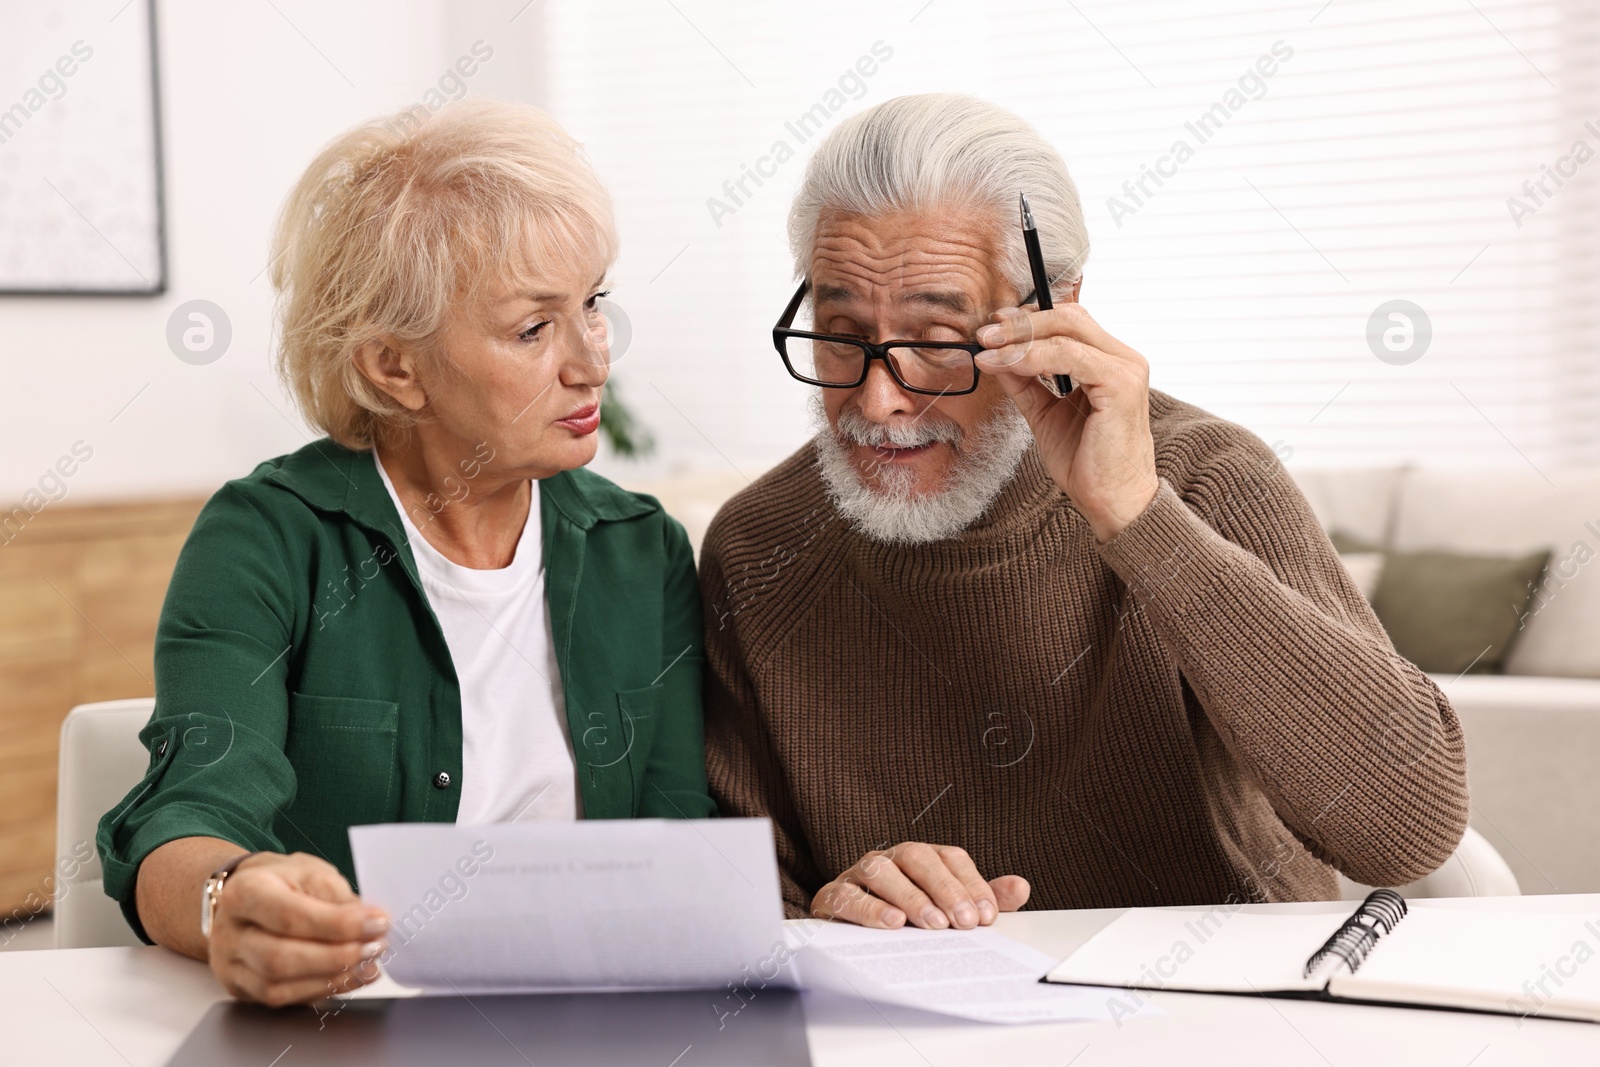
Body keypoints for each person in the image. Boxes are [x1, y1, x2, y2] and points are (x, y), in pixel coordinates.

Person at [701, 93, 1469, 931]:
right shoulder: (757, 545)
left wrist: (1136, 515)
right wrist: (834, 904)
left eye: (937, 340)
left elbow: (1410, 831)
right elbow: (735, 910)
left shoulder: (1203, 476)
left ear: (1053, 309)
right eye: (843, 334)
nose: (881, 400)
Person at [97, 99, 714, 1006]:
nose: (593, 360)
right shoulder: (266, 537)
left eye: (594, 303)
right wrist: (231, 903)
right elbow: (188, 810)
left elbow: (678, 842)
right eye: (534, 329)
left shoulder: (639, 549)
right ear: (395, 367)